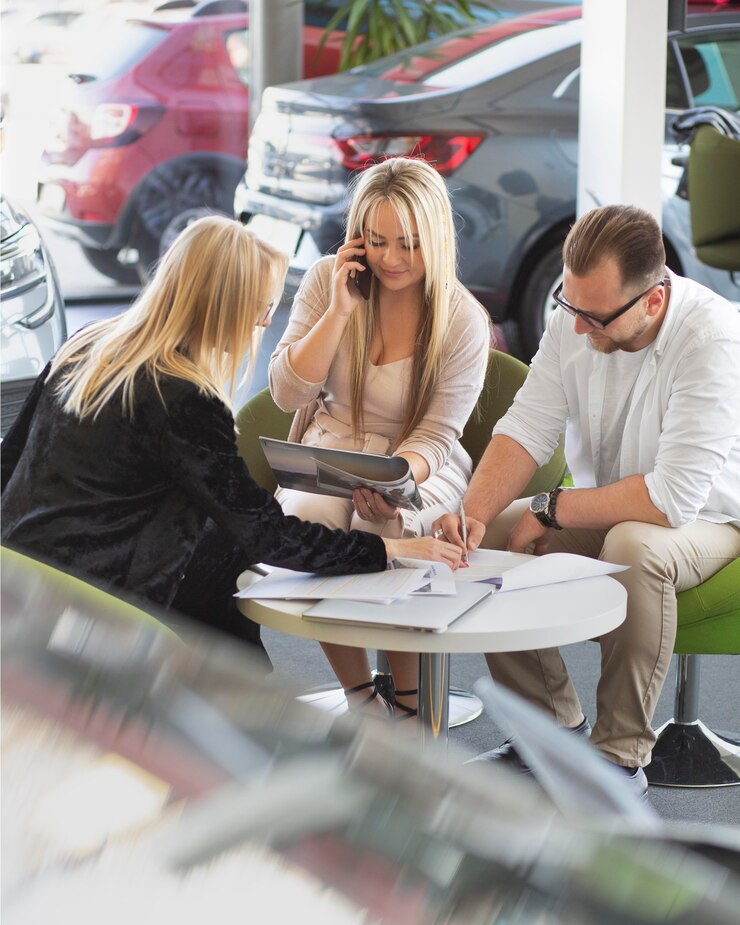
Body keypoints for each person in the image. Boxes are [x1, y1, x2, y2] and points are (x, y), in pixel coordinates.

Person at [1, 216, 463, 678]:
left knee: (218, 546)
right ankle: (242, 699)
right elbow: (266, 534)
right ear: (223, 306)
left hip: (20, 578)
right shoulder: (182, 398)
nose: (264, 321)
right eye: (262, 307)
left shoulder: (88, 346)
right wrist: (385, 550)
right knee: (227, 554)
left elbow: (9, 460)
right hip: (92, 606)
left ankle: (246, 688)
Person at [436, 204, 740, 797]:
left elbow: (673, 498)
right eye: (568, 306)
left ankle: (620, 759)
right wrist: (470, 517)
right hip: (610, 499)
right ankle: (549, 733)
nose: (577, 328)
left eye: (594, 316)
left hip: (712, 517)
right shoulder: (574, 318)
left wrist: (550, 508)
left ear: (653, 300)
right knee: (496, 532)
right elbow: (525, 428)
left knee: (635, 545)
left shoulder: (712, 337)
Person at [269, 158, 491, 718]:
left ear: (436, 238)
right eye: (377, 241)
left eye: (409, 245)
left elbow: (437, 436)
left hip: (418, 463)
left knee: (383, 520)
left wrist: (396, 483)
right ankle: (361, 694)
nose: (391, 259)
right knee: (310, 522)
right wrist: (341, 310)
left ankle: (413, 703)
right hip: (330, 449)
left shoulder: (461, 318)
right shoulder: (327, 280)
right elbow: (288, 395)